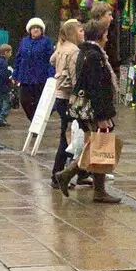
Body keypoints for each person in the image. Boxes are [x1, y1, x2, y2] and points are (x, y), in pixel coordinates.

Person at [54, 19, 120, 204]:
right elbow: (96, 87)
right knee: (100, 146)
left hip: (88, 109)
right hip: (94, 111)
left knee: (95, 147)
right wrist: (102, 115)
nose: (108, 37)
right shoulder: (94, 56)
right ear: (100, 36)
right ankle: (97, 190)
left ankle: (68, 175)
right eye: (106, 34)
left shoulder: (85, 52)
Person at [49, 19, 82, 184]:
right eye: (80, 31)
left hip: (60, 95)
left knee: (69, 135)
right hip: (69, 97)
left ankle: (81, 173)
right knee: (70, 138)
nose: (83, 33)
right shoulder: (74, 50)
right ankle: (60, 174)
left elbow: (52, 60)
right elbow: (76, 79)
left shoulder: (62, 47)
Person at [14, 18, 55, 121]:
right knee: (24, 101)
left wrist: (51, 76)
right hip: (25, 77)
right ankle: (34, 120)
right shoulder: (24, 41)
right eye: (33, 28)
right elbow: (18, 58)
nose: (36, 30)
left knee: (39, 102)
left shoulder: (47, 41)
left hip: (40, 77)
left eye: (38, 28)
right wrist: (15, 74)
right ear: (29, 30)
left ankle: (38, 122)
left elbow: (51, 60)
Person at [0, 43, 14, 126]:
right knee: (7, 102)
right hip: (2, 86)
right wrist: (10, 80)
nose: (11, 54)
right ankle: (1, 117)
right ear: (6, 52)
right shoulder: (3, 62)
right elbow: (4, 75)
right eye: (10, 52)